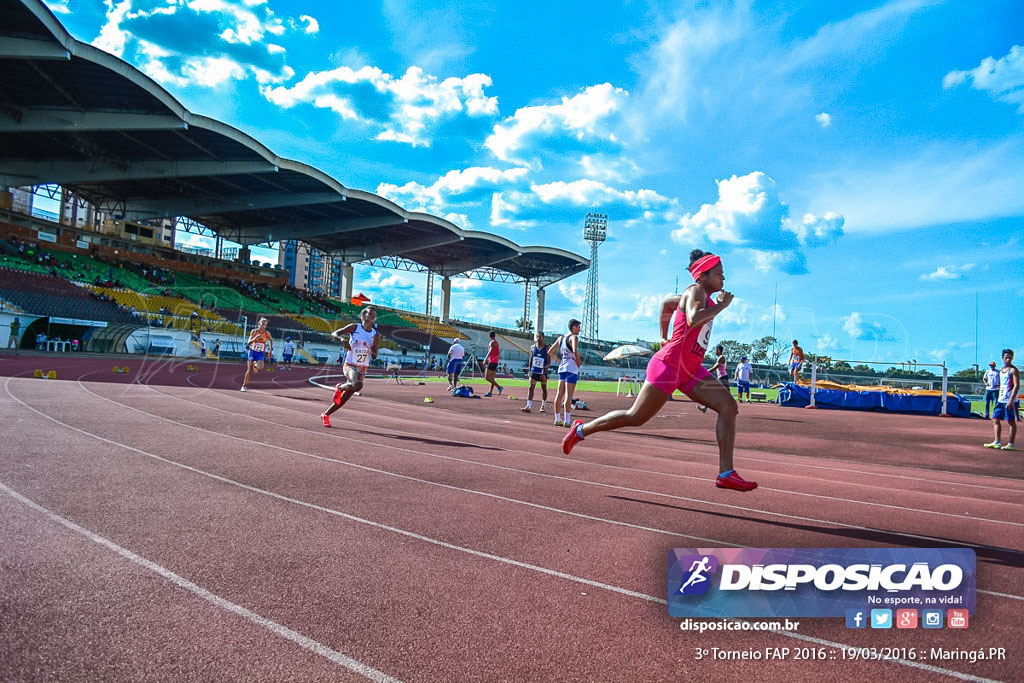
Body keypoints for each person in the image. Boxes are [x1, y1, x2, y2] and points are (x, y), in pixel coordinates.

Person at [560, 249, 757, 492]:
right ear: (702, 276)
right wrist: (722, 306)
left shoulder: (697, 295)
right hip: (669, 366)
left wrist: (663, 335)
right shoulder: (696, 291)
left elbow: (666, 304)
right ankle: (580, 429)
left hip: (691, 369)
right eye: (719, 273)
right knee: (636, 417)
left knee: (728, 407)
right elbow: (695, 319)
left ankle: (726, 473)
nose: (723, 279)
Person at [321, 307, 379, 427]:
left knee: (346, 397)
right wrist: (342, 340)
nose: (371, 315)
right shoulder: (354, 327)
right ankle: (340, 387)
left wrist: (372, 349)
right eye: (369, 313)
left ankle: (325, 415)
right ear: (363, 316)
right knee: (358, 385)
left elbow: (374, 356)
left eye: (373, 314)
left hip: (362, 368)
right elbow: (334, 333)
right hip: (350, 365)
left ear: (374, 319)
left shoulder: (375, 335)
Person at [549, 319, 582, 428]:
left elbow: (550, 352)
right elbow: (575, 351)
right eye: (578, 327)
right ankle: (567, 420)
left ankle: (557, 418)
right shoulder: (574, 338)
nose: (580, 329)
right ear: (573, 327)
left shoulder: (561, 338)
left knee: (559, 394)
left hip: (562, 367)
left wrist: (559, 361)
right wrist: (578, 362)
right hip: (571, 367)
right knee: (568, 395)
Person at [984, 349, 1019, 451]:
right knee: (995, 419)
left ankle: (1011, 443)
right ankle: (997, 441)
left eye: (1010, 357)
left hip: (1009, 400)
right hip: (1000, 399)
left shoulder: (1013, 370)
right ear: (1002, 358)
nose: (1008, 359)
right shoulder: (1001, 370)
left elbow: (1016, 385)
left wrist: (1011, 400)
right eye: (1006, 357)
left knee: (1010, 421)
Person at [240, 317, 272, 392]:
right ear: (259, 324)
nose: (264, 326)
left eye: (266, 325)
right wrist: (255, 338)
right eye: (263, 324)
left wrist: (270, 350)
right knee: (249, 371)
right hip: (252, 352)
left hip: (260, 353)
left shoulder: (267, 333)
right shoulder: (254, 332)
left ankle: (255, 364)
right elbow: (248, 342)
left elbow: (271, 340)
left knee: (260, 368)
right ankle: (244, 386)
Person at [521, 331, 550, 413]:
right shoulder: (533, 347)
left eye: (540, 336)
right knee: (531, 388)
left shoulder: (546, 348)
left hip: (542, 372)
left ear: (543, 337)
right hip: (534, 371)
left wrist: (544, 372)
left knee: (544, 388)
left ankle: (543, 405)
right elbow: (531, 359)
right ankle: (528, 406)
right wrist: (529, 370)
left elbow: (548, 362)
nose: (538, 338)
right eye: (537, 336)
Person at [483, 330, 504, 396]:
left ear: (489, 336)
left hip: (492, 361)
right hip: (495, 361)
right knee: (492, 378)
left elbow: (490, 351)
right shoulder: (496, 342)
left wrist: (485, 359)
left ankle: (499, 387)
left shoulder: (492, 342)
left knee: (486, 377)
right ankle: (490, 392)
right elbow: (498, 353)